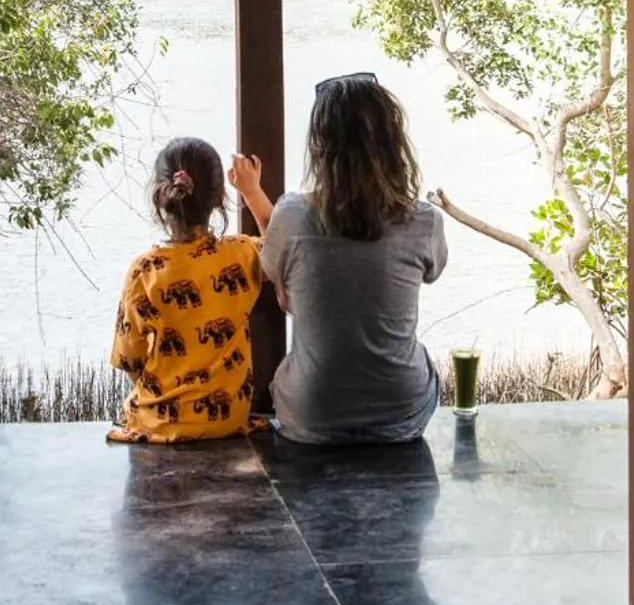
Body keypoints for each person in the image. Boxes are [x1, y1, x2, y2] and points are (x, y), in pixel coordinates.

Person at [228, 72, 448, 445]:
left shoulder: (293, 213)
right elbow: (432, 270)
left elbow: (279, 260)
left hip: (311, 415)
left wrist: (251, 193)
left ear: (320, 146)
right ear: (393, 142)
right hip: (401, 413)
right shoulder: (424, 220)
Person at [106, 137, 265, 444]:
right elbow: (282, 247)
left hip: (159, 422)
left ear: (159, 196)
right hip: (229, 418)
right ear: (218, 199)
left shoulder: (145, 271)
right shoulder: (243, 254)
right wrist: (252, 191)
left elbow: (129, 359)